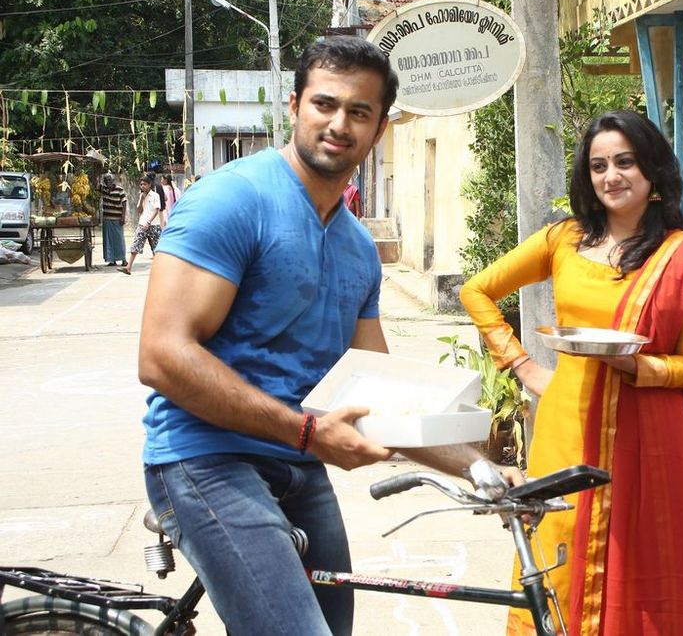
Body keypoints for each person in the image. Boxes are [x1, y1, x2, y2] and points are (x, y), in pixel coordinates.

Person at [136, 37, 513, 636]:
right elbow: (162, 356)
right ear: (294, 106)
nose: (339, 124)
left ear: (380, 128)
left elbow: (380, 399)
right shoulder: (233, 200)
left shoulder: (358, 247)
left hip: (299, 466)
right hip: (205, 457)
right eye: (324, 104)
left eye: (359, 112)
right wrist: (309, 433)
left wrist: (483, 469)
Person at [461, 110, 683, 634]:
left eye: (625, 162)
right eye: (599, 165)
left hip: (650, 440)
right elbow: (478, 290)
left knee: (643, 573)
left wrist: (635, 365)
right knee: (559, 554)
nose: (611, 176)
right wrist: (521, 365)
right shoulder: (564, 239)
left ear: (653, 171)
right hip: (567, 427)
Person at [119, 172, 160, 275]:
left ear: (149, 185)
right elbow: (139, 210)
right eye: (141, 184)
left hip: (154, 225)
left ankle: (159, 270)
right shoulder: (141, 195)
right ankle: (128, 267)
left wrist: (149, 222)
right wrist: (141, 199)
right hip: (142, 224)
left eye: (144, 184)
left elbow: (156, 210)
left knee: (157, 248)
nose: (142, 186)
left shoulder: (155, 195)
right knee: (136, 244)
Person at [99, 173, 127, 267]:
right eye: (106, 180)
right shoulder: (103, 189)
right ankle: (112, 260)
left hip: (117, 219)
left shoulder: (119, 189)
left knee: (119, 240)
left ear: (113, 180)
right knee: (108, 240)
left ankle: (123, 259)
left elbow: (124, 203)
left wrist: (123, 217)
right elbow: (94, 183)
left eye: (109, 180)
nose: (108, 182)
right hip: (107, 219)